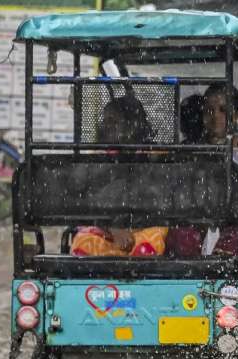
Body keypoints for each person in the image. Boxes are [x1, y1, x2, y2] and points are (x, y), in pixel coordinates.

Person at [166, 84, 238, 257]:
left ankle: (219, 268)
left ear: (237, 116)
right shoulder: (191, 150)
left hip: (235, 222)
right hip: (198, 220)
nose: (216, 116)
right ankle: (186, 271)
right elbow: (174, 185)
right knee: (180, 235)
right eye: (209, 110)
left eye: (223, 110)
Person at [71, 95, 168, 257]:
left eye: (113, 121)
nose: (106, 126)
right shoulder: (98, 160)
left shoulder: (152, 157)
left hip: (143, 230)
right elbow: (89, 204)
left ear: (132, 126)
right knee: (82, 244)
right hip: (107, 233)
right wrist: (113, 228)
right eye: (105, 120)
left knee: (150, 244)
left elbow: (159, 203)